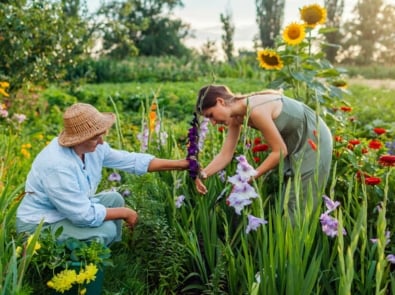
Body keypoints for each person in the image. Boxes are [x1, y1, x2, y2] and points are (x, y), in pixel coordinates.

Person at [16, 103, 189, 246]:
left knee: (115, 199)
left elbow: (132, 161)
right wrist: (126, 213)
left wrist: (180, 164)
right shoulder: (57, 166)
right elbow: (83, 215)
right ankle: (85, 263)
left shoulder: (92, 148)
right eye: (95, 137)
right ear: (77, 139)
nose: (101, 142)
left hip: (65, 211)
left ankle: (104, 251)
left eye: (101, 135)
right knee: (107, 230)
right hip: (40, 223)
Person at [194, 84, 333, 219]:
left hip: (314, 138)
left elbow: (279, 151)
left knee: (298, 204)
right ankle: (285, 240)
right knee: (289, 198)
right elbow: (225, 154)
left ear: (220, 102)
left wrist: (246, 180)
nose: (212, 122)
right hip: (294, 140)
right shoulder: (236, 116)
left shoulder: (255, 110)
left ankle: (294, 241)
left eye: (211, 115)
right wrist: (201, 175)